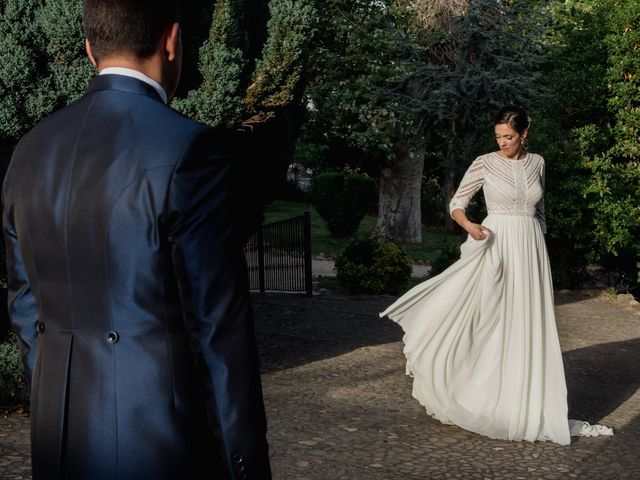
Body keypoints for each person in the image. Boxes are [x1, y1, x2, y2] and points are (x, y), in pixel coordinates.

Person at [2, 1, 272, 478]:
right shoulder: (192, 151)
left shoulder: (29, 149)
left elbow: (26, 303)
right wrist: (243, 463)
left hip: (57, 438)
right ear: (172, 41)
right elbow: (217, 332)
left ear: (89, 49)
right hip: (160, 441)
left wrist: (55, 385)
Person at [380, 105, 612, 445]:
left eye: (509, 137)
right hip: (496, 243)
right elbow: (456, 203)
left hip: (530, 249)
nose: (503, 142)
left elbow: (540, 212)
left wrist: (538, 249)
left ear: (524, 134)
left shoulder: (538, 163)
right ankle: (477, 391)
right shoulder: (484, 163)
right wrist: (470, 225)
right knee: (492, 318)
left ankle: (530, 404)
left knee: (528, 323)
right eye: (499, 136)